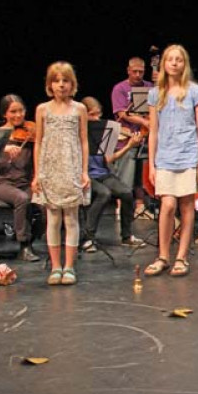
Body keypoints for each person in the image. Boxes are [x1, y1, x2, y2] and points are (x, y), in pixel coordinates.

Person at [143, 44, 198, 278]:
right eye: (170, 59)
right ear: (164, 64)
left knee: (187, 206)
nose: (173, 63)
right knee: (168, 205)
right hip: (165, 157)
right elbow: (153, 131)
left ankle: (181, 256)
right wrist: (151, 164)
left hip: (189, 155)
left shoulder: (195, 91)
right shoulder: (155, 94)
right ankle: (163, 256)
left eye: (178, 59)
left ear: (184, 64)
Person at [31, 62, 90, 285]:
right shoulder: (42, 110)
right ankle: (55, 266)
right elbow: (38, 142)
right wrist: (37, 174)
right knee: (53, 218)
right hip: (50, 168)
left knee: (71, 218)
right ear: (50, 84)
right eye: (56, 81)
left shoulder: (79, 109)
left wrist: (84, 171)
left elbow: (84, 141)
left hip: (71, 167)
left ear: (72, 84)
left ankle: (69, 267)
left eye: (65, 81)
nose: (61, 85)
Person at [79, 97, 146, 251]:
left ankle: (127, 236)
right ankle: (89, 238)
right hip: (85, 175)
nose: (97, 119)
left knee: (126, 192)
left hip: (102, 173)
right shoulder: (78, 132)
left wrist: (129, 145)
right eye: (92, 115)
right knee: (104, 193)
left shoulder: (104, 131)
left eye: (98, 115)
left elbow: (109, 158)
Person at [0, 94, 40, 262]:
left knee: (47, 203)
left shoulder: (30, 133)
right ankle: (24, 245)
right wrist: (4, 148)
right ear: (5, 114)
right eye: (13, 111)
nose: (18, 115)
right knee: (22, 198)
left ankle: (31, 239)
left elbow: (38, 157)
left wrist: (36, 179)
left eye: (21, 111)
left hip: (26, 182)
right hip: (2, 185)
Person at [111, 57, 154, 219]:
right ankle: (122, 209)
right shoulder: (120, 88)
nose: (137, 75)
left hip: (146, 138)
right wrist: (144, 121)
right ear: (128, 70)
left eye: (141, 72)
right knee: (125, 176)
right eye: (134, 71)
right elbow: (122, 113)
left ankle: (140, 208)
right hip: (127, 137)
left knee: (141, 177)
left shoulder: (150, 87)